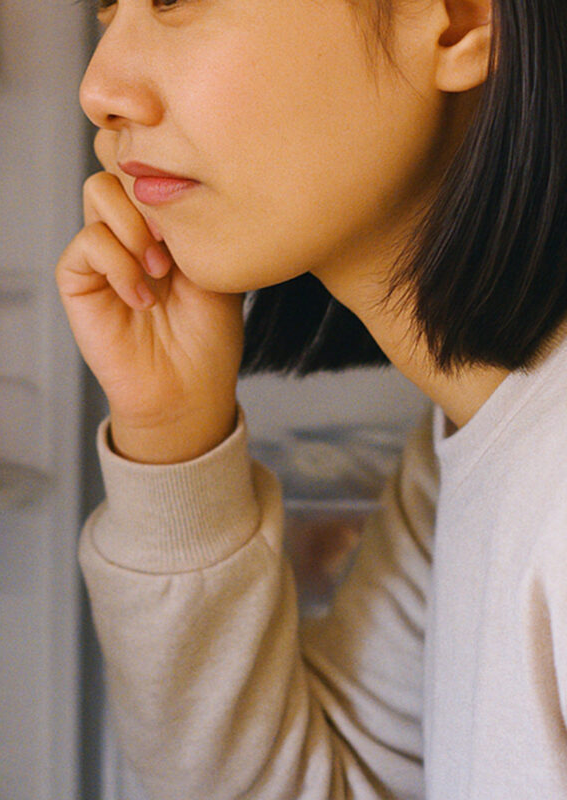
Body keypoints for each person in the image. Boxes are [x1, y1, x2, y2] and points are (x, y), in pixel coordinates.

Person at [55, 0, 567, 797]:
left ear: (462, 20)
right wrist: (173, 437)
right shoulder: (468, 441)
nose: (100, 89)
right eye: (107, 9)